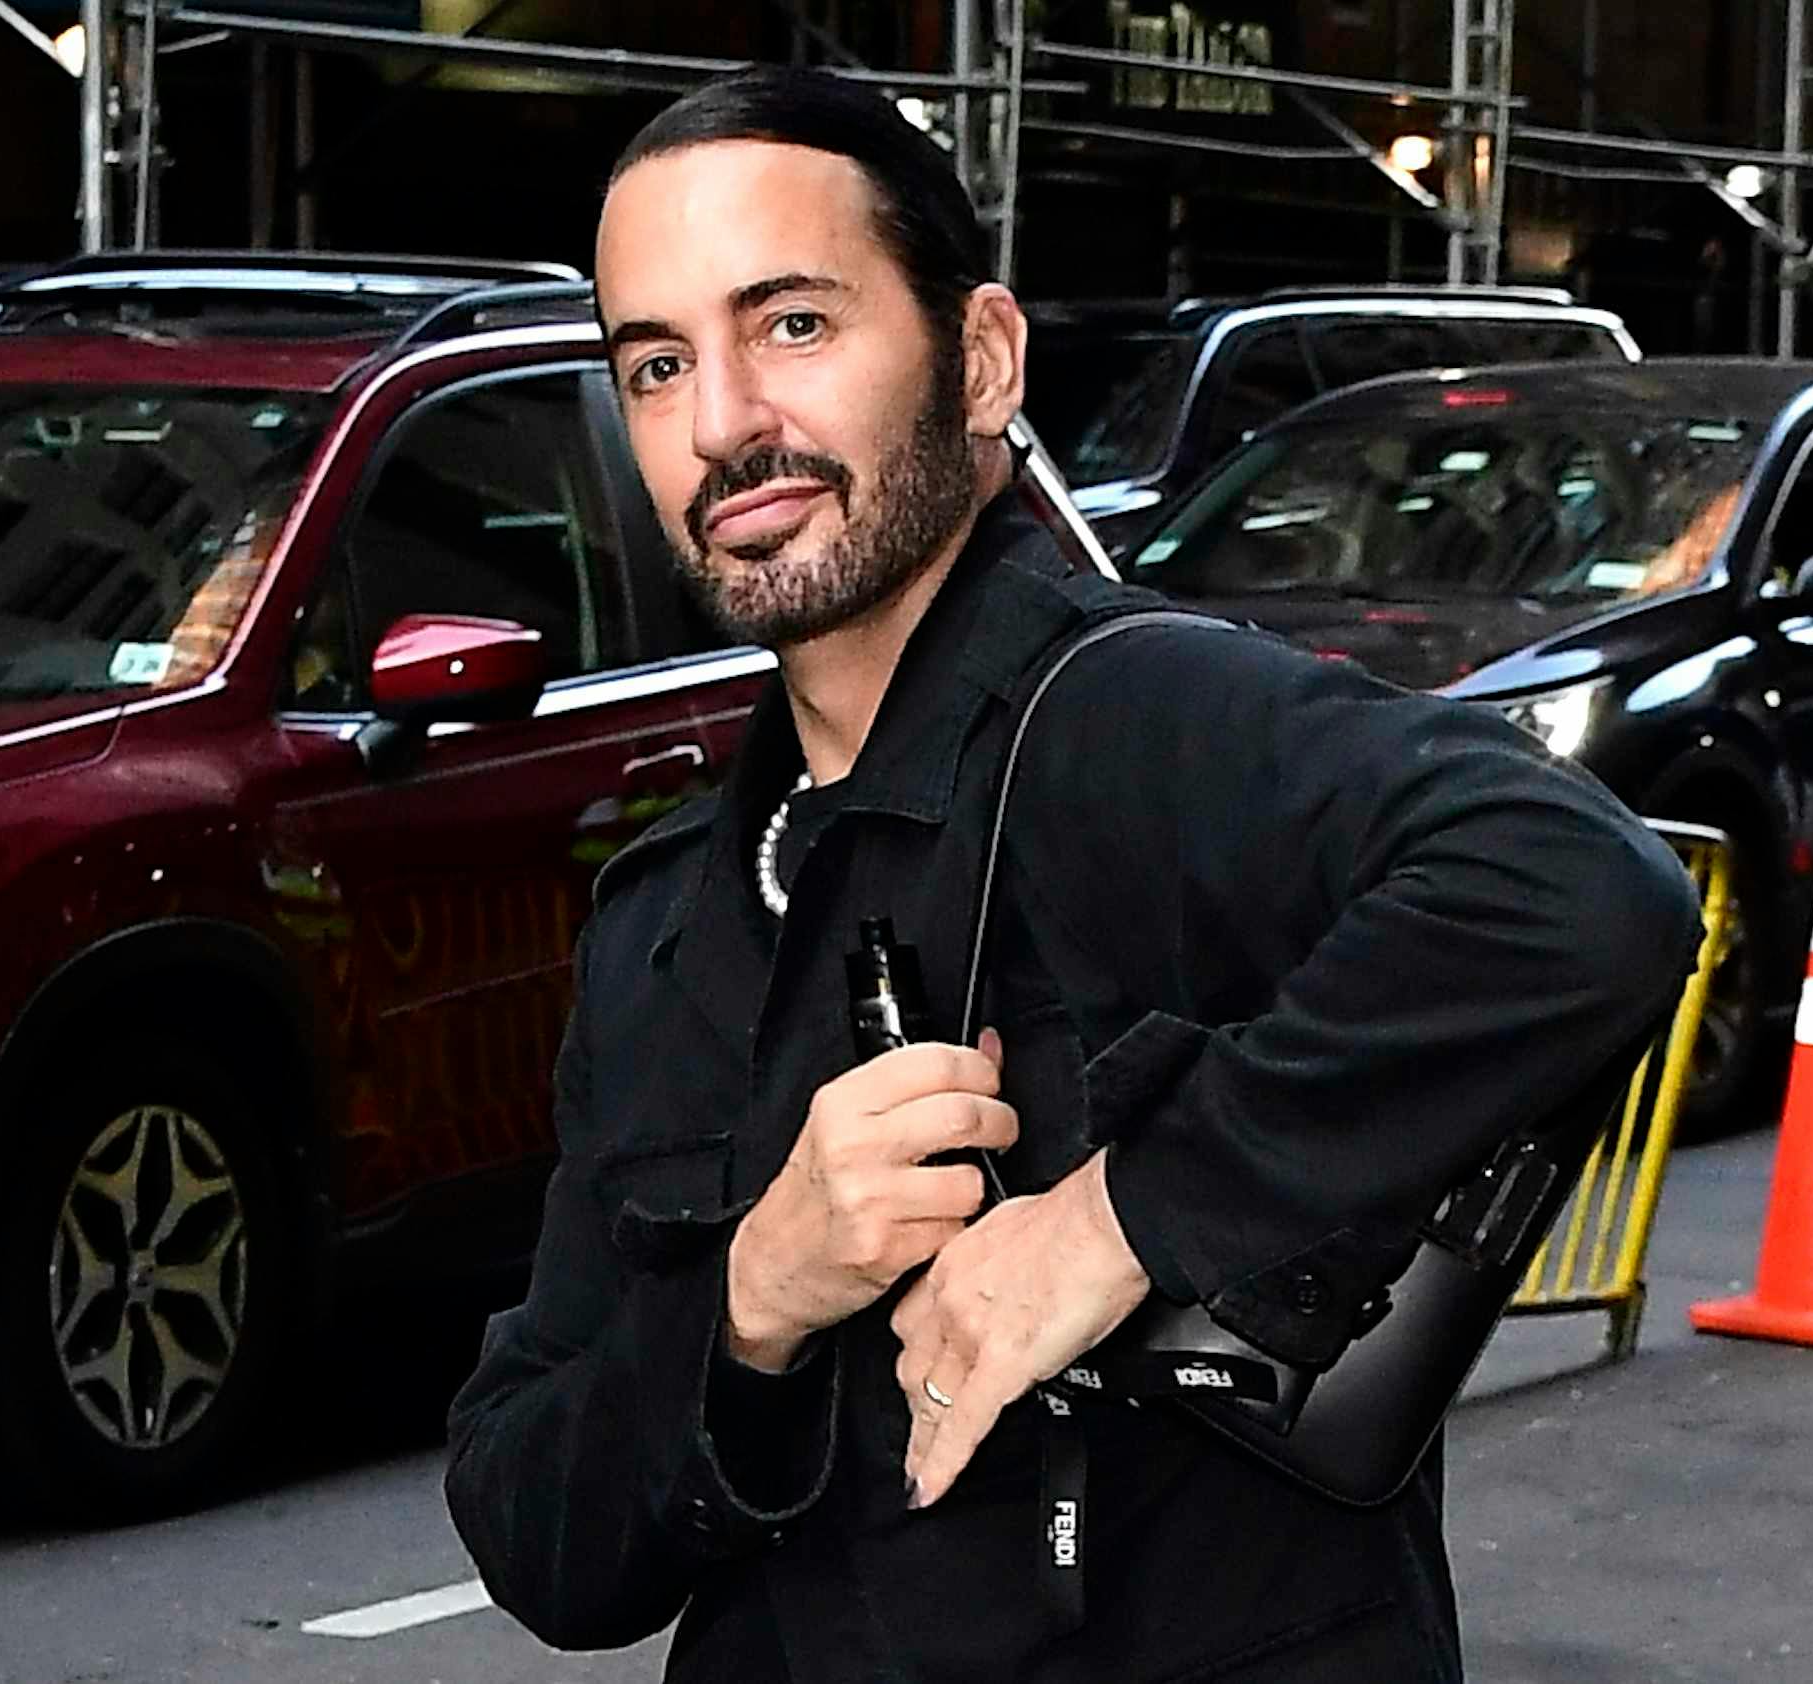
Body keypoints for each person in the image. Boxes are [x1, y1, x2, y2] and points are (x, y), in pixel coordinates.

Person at [444, 66, 1701, 1682]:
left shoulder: (1132, 715)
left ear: (979, 361)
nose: (724, 421)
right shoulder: (669, 918)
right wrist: (757, 1291)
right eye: (659, 363)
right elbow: (539, 1542)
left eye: (795, 326)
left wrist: (1119, 1218)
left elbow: (1579, 892)